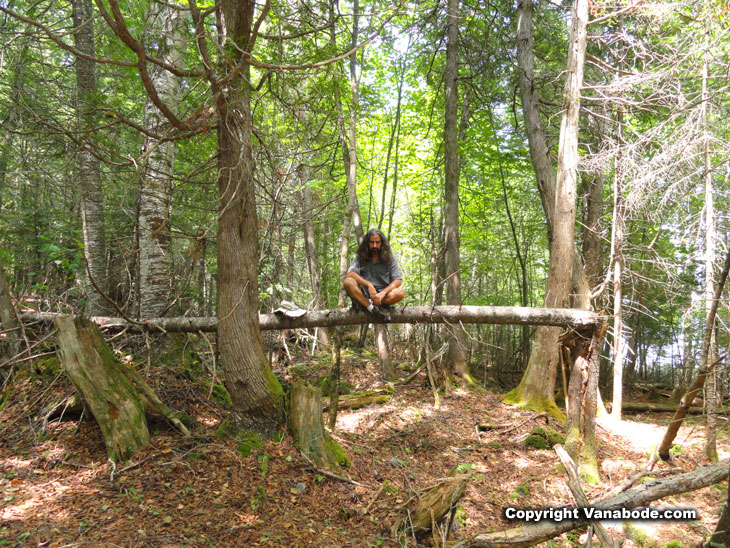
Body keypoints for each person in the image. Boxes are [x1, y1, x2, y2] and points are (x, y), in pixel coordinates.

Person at [343, 229, 405, 322]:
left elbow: (398, 280)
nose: (374, 246)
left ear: (382, 243)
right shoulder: (360, 256)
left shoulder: (390, 258)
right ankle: (371, 308)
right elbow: (350, 273)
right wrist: (369, 285)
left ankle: (368, 304)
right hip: (364, 293)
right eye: (372, 242)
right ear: (367, 243)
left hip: (382, 297)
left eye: (377, 242)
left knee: (400, 293)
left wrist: (382, 294)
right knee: (348, 282)